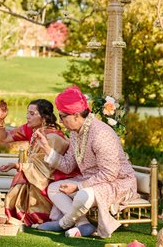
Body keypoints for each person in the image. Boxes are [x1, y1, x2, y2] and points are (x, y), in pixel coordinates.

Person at [36, 86, 137, 238]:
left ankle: (63, 223)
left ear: (76, 115)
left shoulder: (101, 134)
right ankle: (83, 224)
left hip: (118, 182)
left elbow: (110, 173)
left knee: (83, 195)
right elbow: (68, 165)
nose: (61, 120)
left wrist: (78, 186)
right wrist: (46, 148)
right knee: (54, 188)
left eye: (63, 116)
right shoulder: (75, 133)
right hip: (91, 181)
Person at [0, 99, 76, 226]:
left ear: (44, 117)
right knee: (23, 174)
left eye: (32, 114)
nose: (28, 116)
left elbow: (46, 168)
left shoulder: (53, 137)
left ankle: (36, 214)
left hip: (48, 179)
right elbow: (4, 138)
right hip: (34, 174)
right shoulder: (30, 130)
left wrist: (19, 166)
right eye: (27, 113)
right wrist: (1, 120)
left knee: (22, 174)